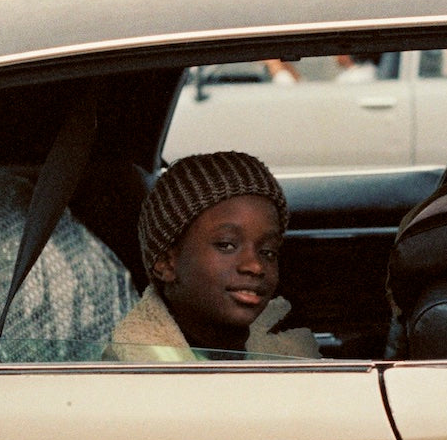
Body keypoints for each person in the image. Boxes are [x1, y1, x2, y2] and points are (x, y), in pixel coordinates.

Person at [106, 151, 319, 361]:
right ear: (166, 263)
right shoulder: (138, 366)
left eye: (268, 252)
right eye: (226, 245)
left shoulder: (284, 355)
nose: (255, 266)